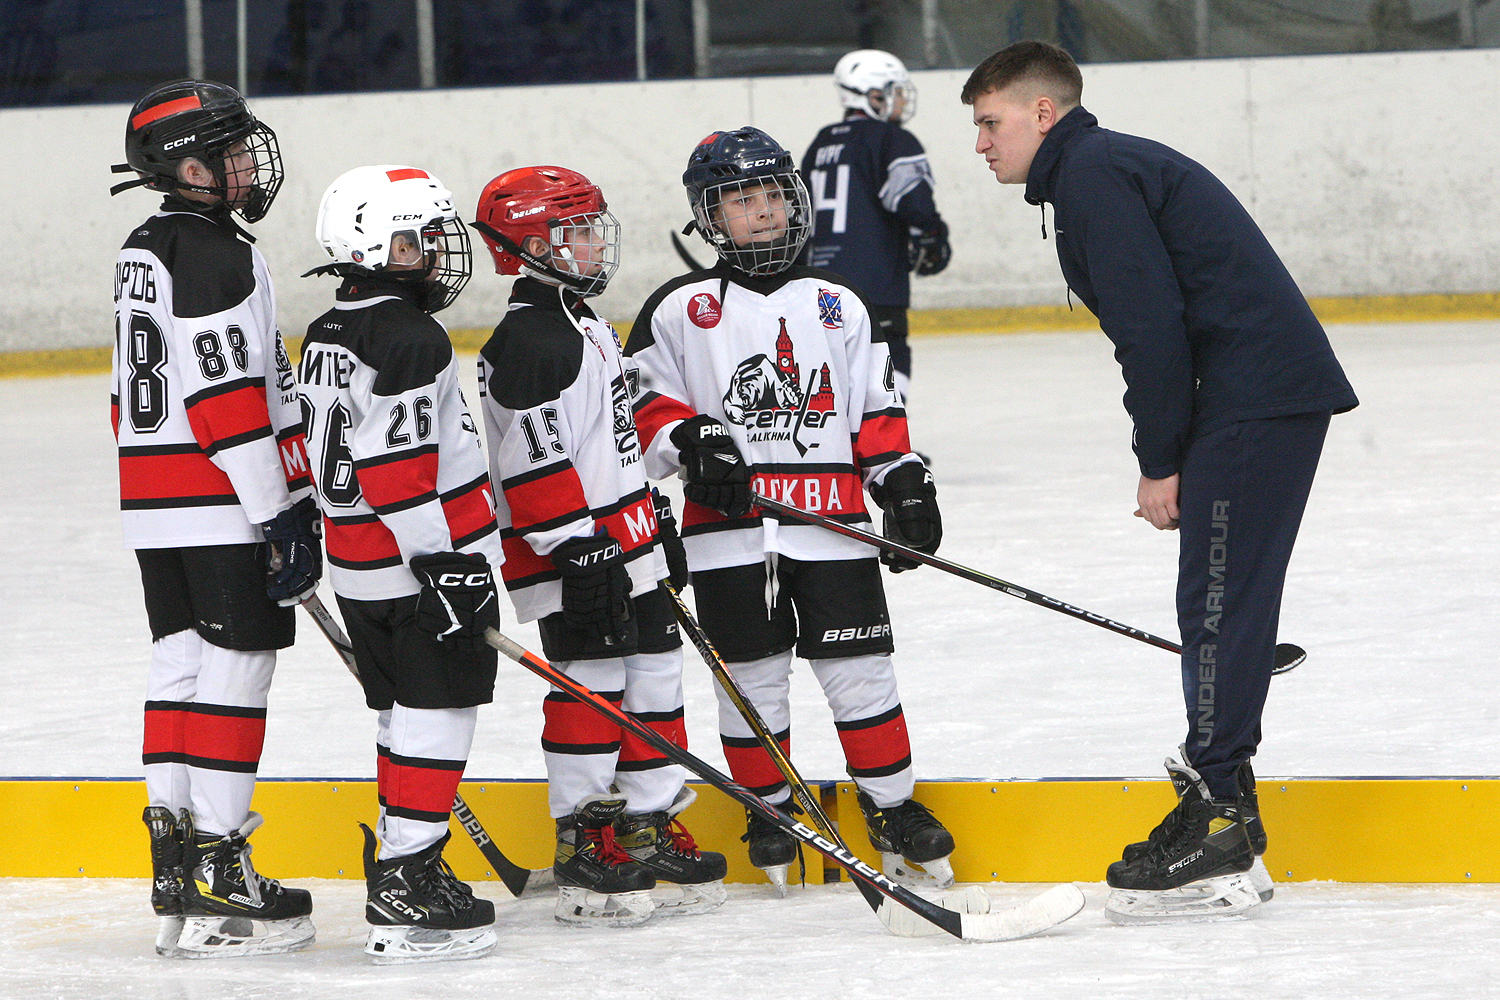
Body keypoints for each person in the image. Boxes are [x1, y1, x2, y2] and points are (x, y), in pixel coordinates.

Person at [962, 41, 1359, 922]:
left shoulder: (1092, 177)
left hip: (1251, 397)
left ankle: (1218, 815)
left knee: (1216, 599)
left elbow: (1150, 328)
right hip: (1253, 394)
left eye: (990, 123)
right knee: (1222, 596)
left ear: (1042, 113)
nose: (981, 144)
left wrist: (1158, 460)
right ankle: (1227, 804)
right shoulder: (1098, 167)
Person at [625, 127, 955, 893]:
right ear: (710, 216)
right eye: (742, 199)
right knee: (750, 682)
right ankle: (769, 810)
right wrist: (688, 439)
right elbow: (639, 408)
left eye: (773, 193)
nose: (764, 210)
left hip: (833, 527)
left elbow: (878, 415)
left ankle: (892, 807)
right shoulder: (678, 309)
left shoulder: (841, 303)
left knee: (863, 674)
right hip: (727, 536)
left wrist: (904, 484)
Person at [471, 165, 726, 927]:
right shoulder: (530, 340)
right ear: (531, 247)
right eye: (574, 231)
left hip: (623, 543)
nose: (592, 243)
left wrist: (655, 507)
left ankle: (647, 821)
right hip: (576, 555)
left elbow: (614, 434)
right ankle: (583, 837)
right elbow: (532, 460)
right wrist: (572, 545)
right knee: (592, 687)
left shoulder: (582, 323)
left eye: (590, 228)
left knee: (655, 677)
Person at [109, 79, 320, 958]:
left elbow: (126, 397)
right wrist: (277, 512)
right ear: (188, 167)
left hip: (154, 501)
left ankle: (176, 862)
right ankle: (220, 862)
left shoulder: (144, 244)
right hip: (218, 495)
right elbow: (227, 399)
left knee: (181, 663)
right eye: (228, 152)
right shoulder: (214, 254)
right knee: (240, 665)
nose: (245, 164)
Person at [298, 164, 503, 962]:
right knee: (438, 712)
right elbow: (395, 468)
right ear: (370, 247)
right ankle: (406, 882)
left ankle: (403, 854)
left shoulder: (329, 327)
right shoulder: (413, 336)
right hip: (418, 566)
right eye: (416, 241)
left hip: (359, 568)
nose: (435, 255)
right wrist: (443, 565)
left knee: (402, 717)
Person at [801, 49, 950, 404]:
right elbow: (914, 202)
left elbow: (799, 216)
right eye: (894, 93)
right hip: (875, 285)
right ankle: (886, 433)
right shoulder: (891, 139)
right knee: (889, 360)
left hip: (817, 286)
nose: (902, 101)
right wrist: (932, 235)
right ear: (871, 96)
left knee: (831, 372)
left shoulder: (820, 143)